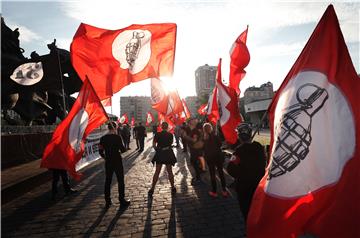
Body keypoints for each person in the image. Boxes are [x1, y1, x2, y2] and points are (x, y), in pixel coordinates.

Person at [232, 123, 266, 222]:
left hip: (244, 187)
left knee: (247, 211)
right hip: (258, 185)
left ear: (239, 136)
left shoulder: (238, 151)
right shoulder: (259, 147)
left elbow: (231, 169)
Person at [99, 121, 131, 209]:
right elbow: (123, 149)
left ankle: (107, 200)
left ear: (108, 128)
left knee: (108, 181)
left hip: (108, 161)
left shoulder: (103, 138)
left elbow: (100, 152)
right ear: (115, 128)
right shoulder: (117, 137)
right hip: (117, 160)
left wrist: (105, 157)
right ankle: (122, 200)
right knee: (120, 180)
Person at [148, 122, 177, 196]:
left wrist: (157, 150)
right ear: (167, 127)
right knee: (169, 171)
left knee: (157, 171)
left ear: (161, 127)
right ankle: (173, 187)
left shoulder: (157, 134)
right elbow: (170, 144)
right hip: (168, 153)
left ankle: (152, 188)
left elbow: (154, 144)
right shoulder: (170, 135)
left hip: (160, 153)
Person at [202, 123, 228, 198]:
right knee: (221, 173)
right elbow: (220, 145)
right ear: (211, 128)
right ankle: (224, 191)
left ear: (204, 130)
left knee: (212, 174)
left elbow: (202, 148)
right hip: (218, 157)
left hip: (209, 158)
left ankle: (214, 191)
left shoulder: (204, 138)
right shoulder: (215, 136)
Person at [182, 118, 204, 183]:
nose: (187, 124)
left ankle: (198, 177)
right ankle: (198, 175)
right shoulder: (189, 130)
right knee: (194, 162)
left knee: (193, 162)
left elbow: (194, 140)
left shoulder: (196, 131)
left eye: (189, 123)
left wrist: (186, 137)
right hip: (192, 148)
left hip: (196, 149)